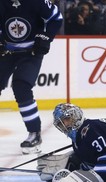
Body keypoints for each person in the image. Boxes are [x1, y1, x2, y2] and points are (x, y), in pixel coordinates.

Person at [0, 0, 63, 154]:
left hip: (31, 53)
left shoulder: (37, 1)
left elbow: (56, 18)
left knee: (21, 86)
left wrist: (46, 37)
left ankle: (34, 133)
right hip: (6, 52)